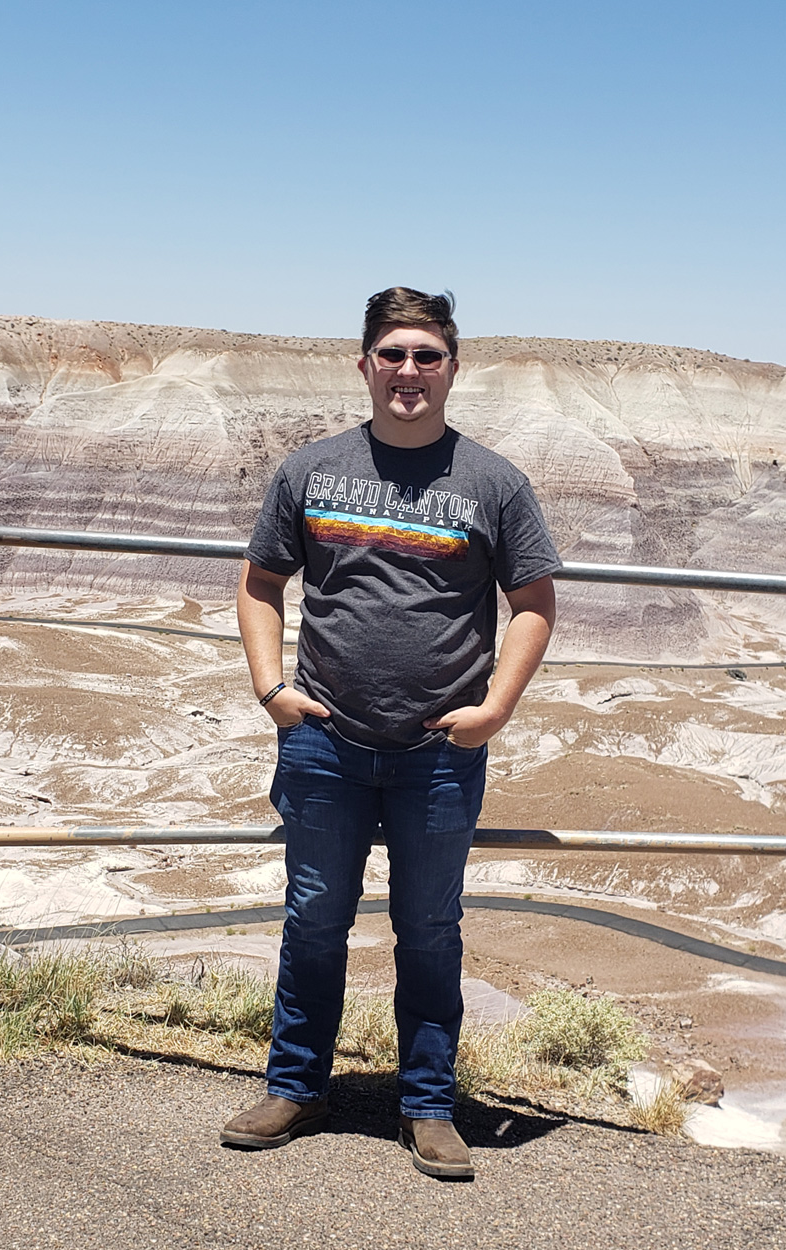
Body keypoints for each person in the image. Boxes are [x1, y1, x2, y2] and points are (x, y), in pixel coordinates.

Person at [221, 287, 561, 1179]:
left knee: (430, 928)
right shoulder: (311, 470)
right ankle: (294, 1085)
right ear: (365, 363)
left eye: (427, 355)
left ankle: (428, 1104)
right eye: (394, 354)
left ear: (453, 366)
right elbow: (260, 584)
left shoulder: (493, 482)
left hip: (439, 755)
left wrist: (495, 710)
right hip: (325, 741)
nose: (409, 372)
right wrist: (271, 690)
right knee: (313, 920)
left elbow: (532, 605)